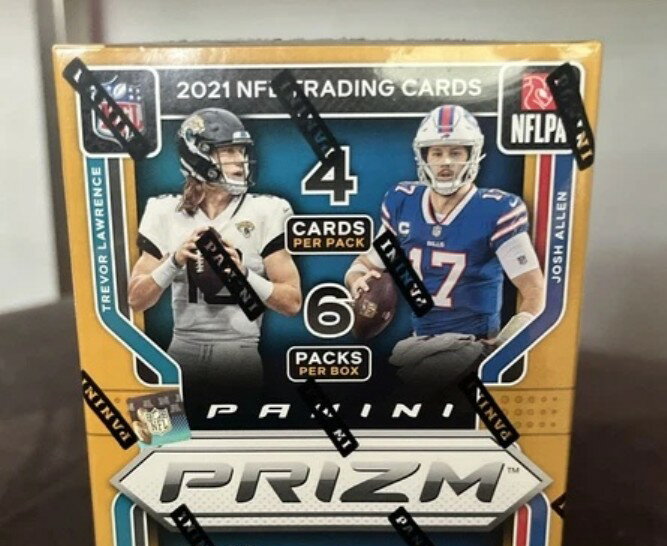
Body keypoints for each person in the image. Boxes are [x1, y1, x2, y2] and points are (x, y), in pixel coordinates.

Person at [344, 104, 545, 391]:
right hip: (419, 344)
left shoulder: (496, 210)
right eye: (437, 153)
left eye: (456, 152)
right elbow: (364, 264)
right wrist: (356, 280)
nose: (446, 162)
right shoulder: (403, 203)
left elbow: (534, 290)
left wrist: (502, 349)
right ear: (423, 156)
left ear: (472, 155)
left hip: (474, 344)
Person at [128, 107, 301, 394]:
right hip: (181, 352)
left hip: (239, 354)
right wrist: (173, 262)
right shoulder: (163, 210)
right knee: (165, 423)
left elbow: (292, 303)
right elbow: (136, 300)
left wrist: (243, 274)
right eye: (229, 151)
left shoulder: (268, 210)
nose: (240, 160)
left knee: (236, 424)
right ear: (198, 154)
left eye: (241, 151)